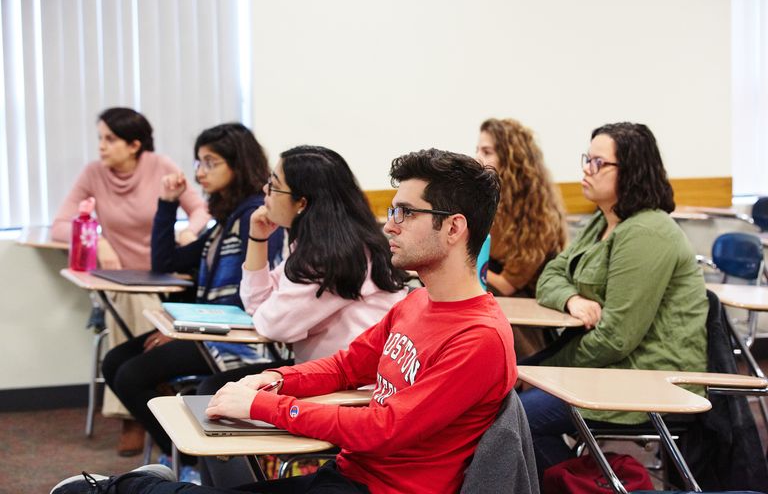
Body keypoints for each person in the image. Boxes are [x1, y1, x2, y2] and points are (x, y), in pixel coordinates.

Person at [52, 149, 518, 494]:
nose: (389, 225)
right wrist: (272, 379)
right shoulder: (416, 303)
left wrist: (261, 408)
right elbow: (343, 368)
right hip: (348, 474)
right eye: (391, 210)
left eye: (404, 212)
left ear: (454, 228)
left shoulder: (479, 338)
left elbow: (382, 427)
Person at [197, 145, 409, 486]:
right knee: (214, 391)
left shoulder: (336, 256)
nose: (265, 193)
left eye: (274, 185)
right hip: (327, 378)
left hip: (355, 395)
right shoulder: (320, 244)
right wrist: (257, 238)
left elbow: (269, 323)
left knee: (215, 393)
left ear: (302, 203)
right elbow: (258, 305)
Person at [520, 122, 707, 475]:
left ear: (632, 171)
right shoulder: (604, 221)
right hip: (609, 370)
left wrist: (545, 373)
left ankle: (588, 484)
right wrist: (571, 298)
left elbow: (616, 337)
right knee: (507, 413)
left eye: (597, 163)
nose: (586, 170)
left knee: (514, 418)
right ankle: (584, 482)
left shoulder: (647, 232)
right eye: (586, 160)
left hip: (646, 379)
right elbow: (550, 275)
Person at [100, 123, 283, 474]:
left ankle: (190, 461)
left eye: (210, 163)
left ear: (238, 164)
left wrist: (186, 330)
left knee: (131, 374)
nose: (200, 173)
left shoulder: (255, 217)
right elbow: (165, 264)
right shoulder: (226, 222)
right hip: (208, 328)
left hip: (236, 337)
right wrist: (168, 205)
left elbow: (246, 299)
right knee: (116, 362)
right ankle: (186, 455)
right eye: (198, 163)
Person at [51, 107, 210, 455]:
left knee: (135, 304)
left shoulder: (161, 166)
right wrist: (101, 240)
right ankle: (141, 403)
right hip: (122, 281)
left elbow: (200, 210)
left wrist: (190, 232)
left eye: (110, 139)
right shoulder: (93, 174)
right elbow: (60, 225)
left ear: (134, 144)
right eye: (100, 139)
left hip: (166, 277)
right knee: (127, 300)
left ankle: (136, 406)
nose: (102, 147)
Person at [476, 118, 568, 358]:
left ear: (511, 159)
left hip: (526, 322)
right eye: (477, 149)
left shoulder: (539, 215)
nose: (477, 158)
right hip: (494, 302)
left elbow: (508, 284)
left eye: (486, 151)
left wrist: (459, 265)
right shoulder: (491, 202)